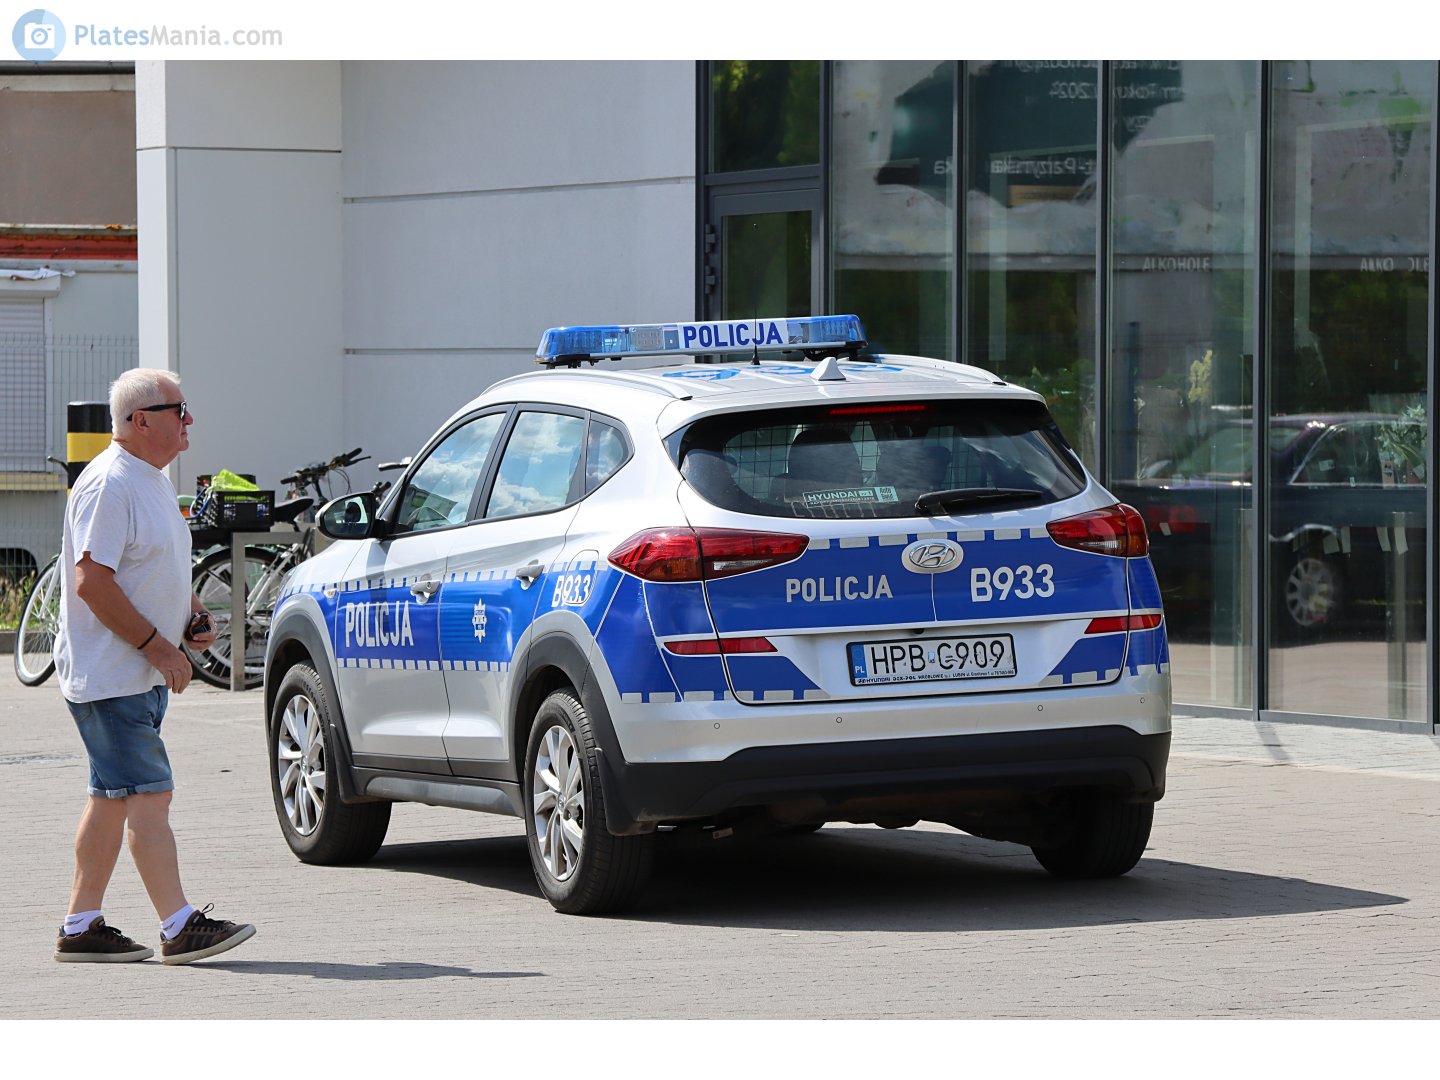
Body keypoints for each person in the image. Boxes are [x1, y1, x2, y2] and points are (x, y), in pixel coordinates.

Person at [52, 368, 256, 965]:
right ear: (141, 421)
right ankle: (178, 925)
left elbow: (153, 564)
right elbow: (93, 581)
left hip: (131, 675)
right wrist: (157, 647)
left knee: (113, 799)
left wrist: (189, 613)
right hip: (112, 675)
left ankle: (81, 925)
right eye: (178, 409)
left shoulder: (152, 480)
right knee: (149, 795)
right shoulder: (109, 484)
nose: (189, 420)